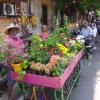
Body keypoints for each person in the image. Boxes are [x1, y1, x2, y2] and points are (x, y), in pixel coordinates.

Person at [4, 24, 25, 100]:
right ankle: (9, 97)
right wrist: (10, 62)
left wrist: (24, 55)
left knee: (20, 77)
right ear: (9, 32)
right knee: (11, 82)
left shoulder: (18, 39)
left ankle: (23, 91)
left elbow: (22, 48)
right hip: (11, 64)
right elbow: (6, 53)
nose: (14, 31)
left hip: (19, 62)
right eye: (12, 30)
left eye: (15, 30)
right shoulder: (7, 40)